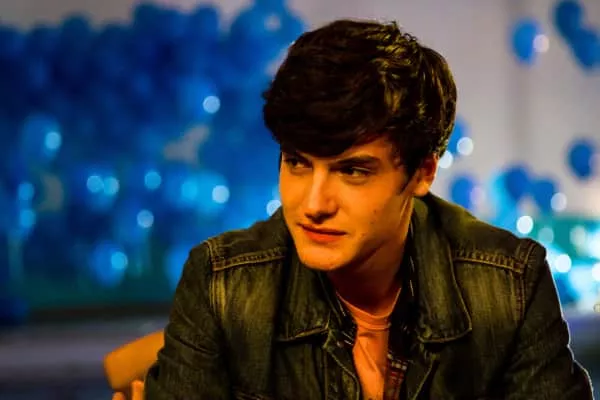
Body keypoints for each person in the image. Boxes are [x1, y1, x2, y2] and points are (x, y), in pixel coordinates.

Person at [136, 18, 593, 399]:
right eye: (297, 162)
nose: (313, 204)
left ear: (423, 172)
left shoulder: (509, 284)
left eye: (352, 171)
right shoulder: (222, 284)